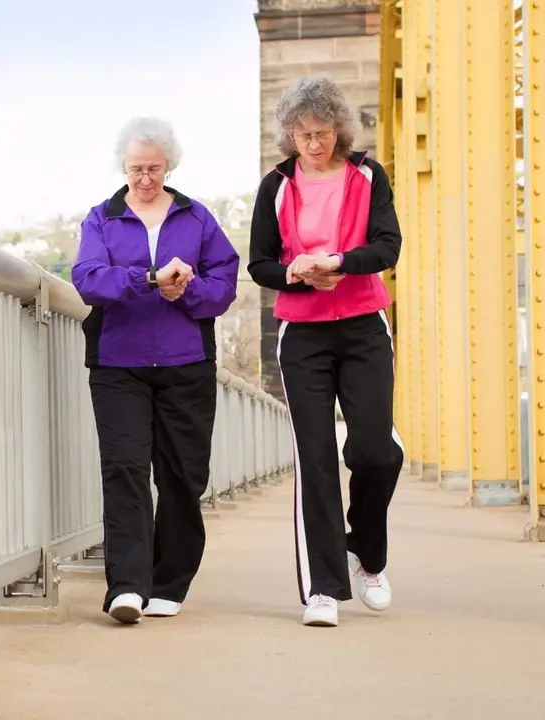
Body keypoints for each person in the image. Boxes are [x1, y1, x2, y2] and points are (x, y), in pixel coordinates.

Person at [247, 76, 404, 628]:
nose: (312, 143)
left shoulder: (366, 174)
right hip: (304, 335)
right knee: (314, 459)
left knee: (375, 452)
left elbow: (388, 246)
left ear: (339, 127)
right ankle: (323, 588)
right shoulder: (276, 184)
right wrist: (293, 273)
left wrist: (340, 263)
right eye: (302, 133)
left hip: (364, 325)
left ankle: (369, 554)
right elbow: (259, 263)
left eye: (321, 132)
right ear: (289, 133)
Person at [72, 117, 240, 625]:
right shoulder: (102, 219)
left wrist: (185, 289)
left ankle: (170, 581)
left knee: (182, 476)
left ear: (169, 165)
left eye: (153, 169)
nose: (144, 179)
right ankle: (126, 585)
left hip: (185, 363)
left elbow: (225, 283)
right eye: (135, 169)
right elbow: (88, 279)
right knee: (124, 471)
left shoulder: (197, 218)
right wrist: (148, 279)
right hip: (117, 365)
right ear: (122, 168)